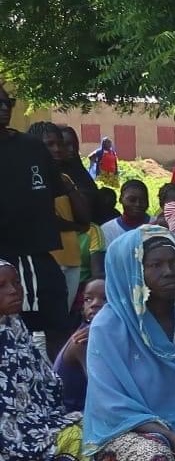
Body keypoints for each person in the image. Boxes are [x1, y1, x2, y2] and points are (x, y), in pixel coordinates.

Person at [0, 256, 81, 461]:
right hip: (11, 437)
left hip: (40, 420)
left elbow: (45, 382)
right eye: (2, 286)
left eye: (16, 282)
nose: (14, 290)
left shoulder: (15, 327)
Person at [30, 122, 92, 321]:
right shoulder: (29, 177)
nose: (57, 149)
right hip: (45, 259)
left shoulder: (64, 178)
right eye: (50, 144)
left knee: (61, 320)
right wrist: (75, 227)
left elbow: (85, 218)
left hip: (71, 258)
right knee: (43, 325)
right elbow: (42, 218)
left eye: (59, 144)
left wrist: (69, 188)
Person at [54, 278, 105, 413]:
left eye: (105, 299)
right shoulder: (83, 341)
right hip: (72, 414)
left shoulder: (102, 333)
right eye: (88, 299)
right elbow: (103, 391)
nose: (95, 304)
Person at [101, 179, 150, 248]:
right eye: (132, 200)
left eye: (143, 200)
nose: (137, 204)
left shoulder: (159, 226)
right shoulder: (107, 230)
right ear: (121, 199)